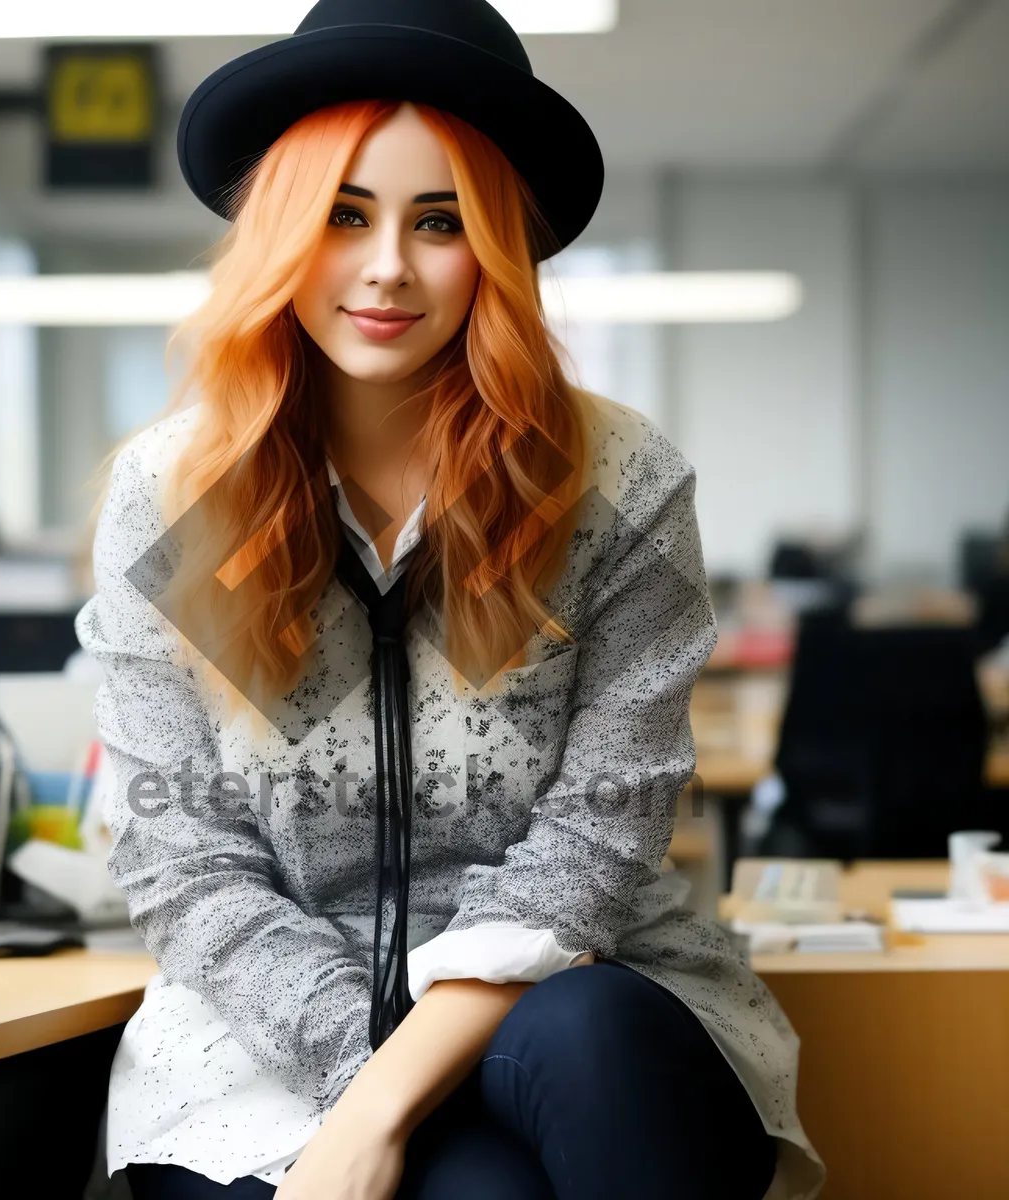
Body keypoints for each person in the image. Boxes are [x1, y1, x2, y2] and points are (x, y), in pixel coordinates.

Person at [74, 3, 826, 1198]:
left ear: (499, 248)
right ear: (279, 234)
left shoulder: (618, 483)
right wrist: (365, 1075)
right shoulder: (171, 494)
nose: (386, 268)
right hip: (264, 1049)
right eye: (342, 216)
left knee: (584, 1039)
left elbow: (595, 843)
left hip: (573, 1001)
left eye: (441, 222)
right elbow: (185, 861)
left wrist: (388, 1104)